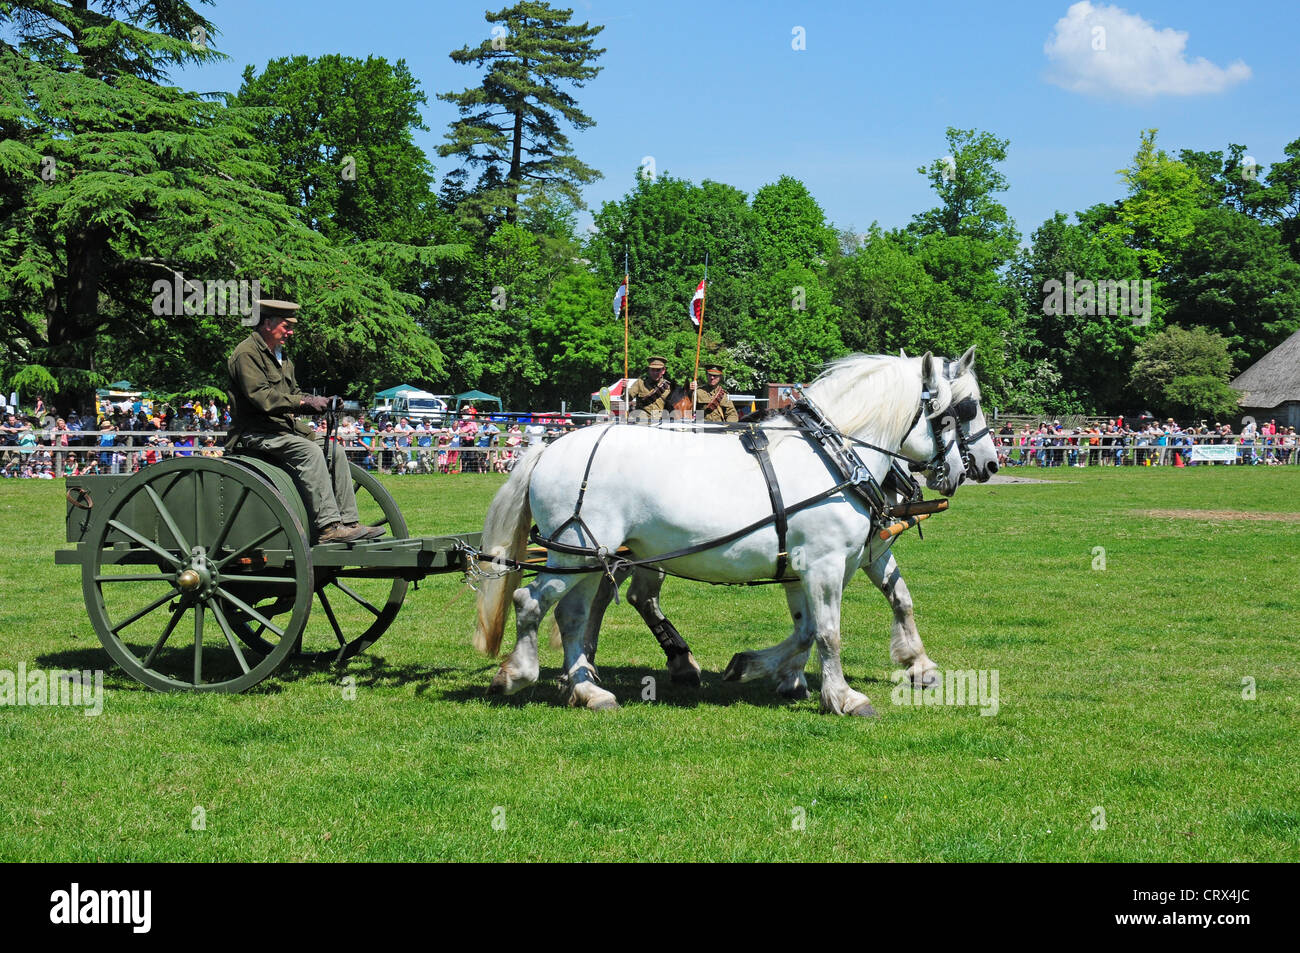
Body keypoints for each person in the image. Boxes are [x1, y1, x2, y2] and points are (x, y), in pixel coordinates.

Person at [227, 298, 380, 544]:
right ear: (268, 323)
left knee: (336, 451)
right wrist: (304, 403)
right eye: (286, 326)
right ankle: (329, 528)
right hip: (256, 432)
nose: (291, 332)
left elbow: (295, 394)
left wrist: (323, 402)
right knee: (309, 451)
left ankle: (349, 523)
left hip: (282, 430)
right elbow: (263, 398)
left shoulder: (282, 356)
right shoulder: (246, 354)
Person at [626, 356, 674, 423]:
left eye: (658, 370)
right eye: (652, 370)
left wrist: (693, 390)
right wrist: (625, 389)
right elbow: (627, 398)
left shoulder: (669, 387)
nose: (655, 373)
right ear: (649, 370)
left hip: (660, 422)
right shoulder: (640, 383)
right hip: (641, 421)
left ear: (663, 370)